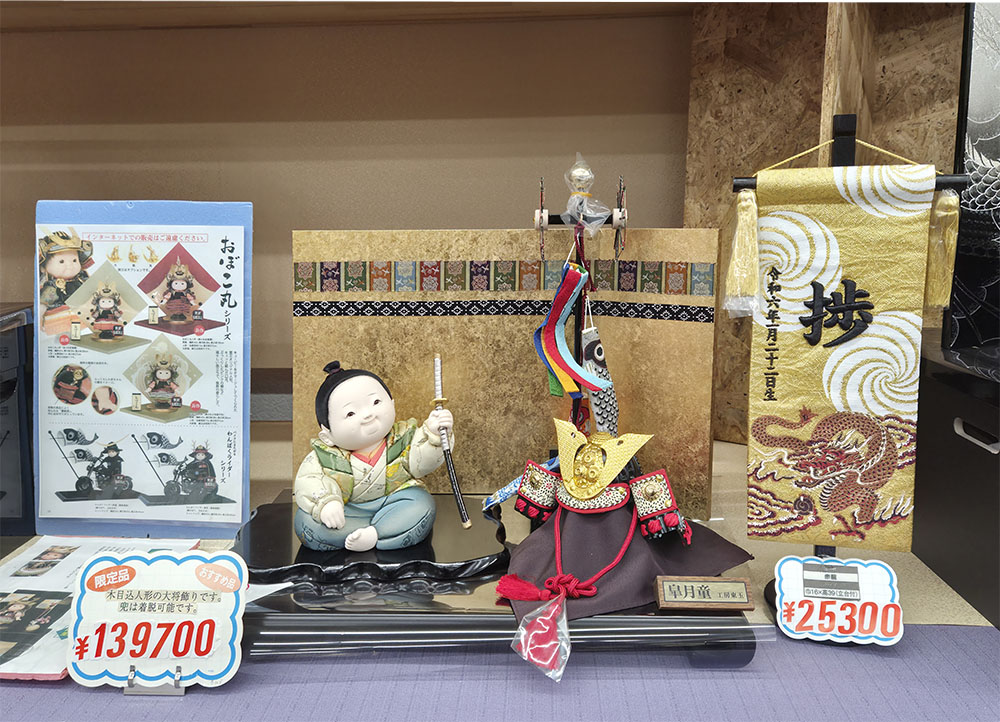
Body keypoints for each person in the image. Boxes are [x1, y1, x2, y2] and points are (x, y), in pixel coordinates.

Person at [293, 361, 452, 552]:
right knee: (306, 522)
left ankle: (376, 533)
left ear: (392, 404)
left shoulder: (404, 439)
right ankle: (378, 532)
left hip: (396, 503)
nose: (368, 414)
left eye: (376, 402)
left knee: (422, 505)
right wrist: (326, 504)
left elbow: (423, 463)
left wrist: (434, 435)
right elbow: (308, 480)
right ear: (327, 435)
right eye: (350, 413)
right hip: (348, 512)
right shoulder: (323, 456)